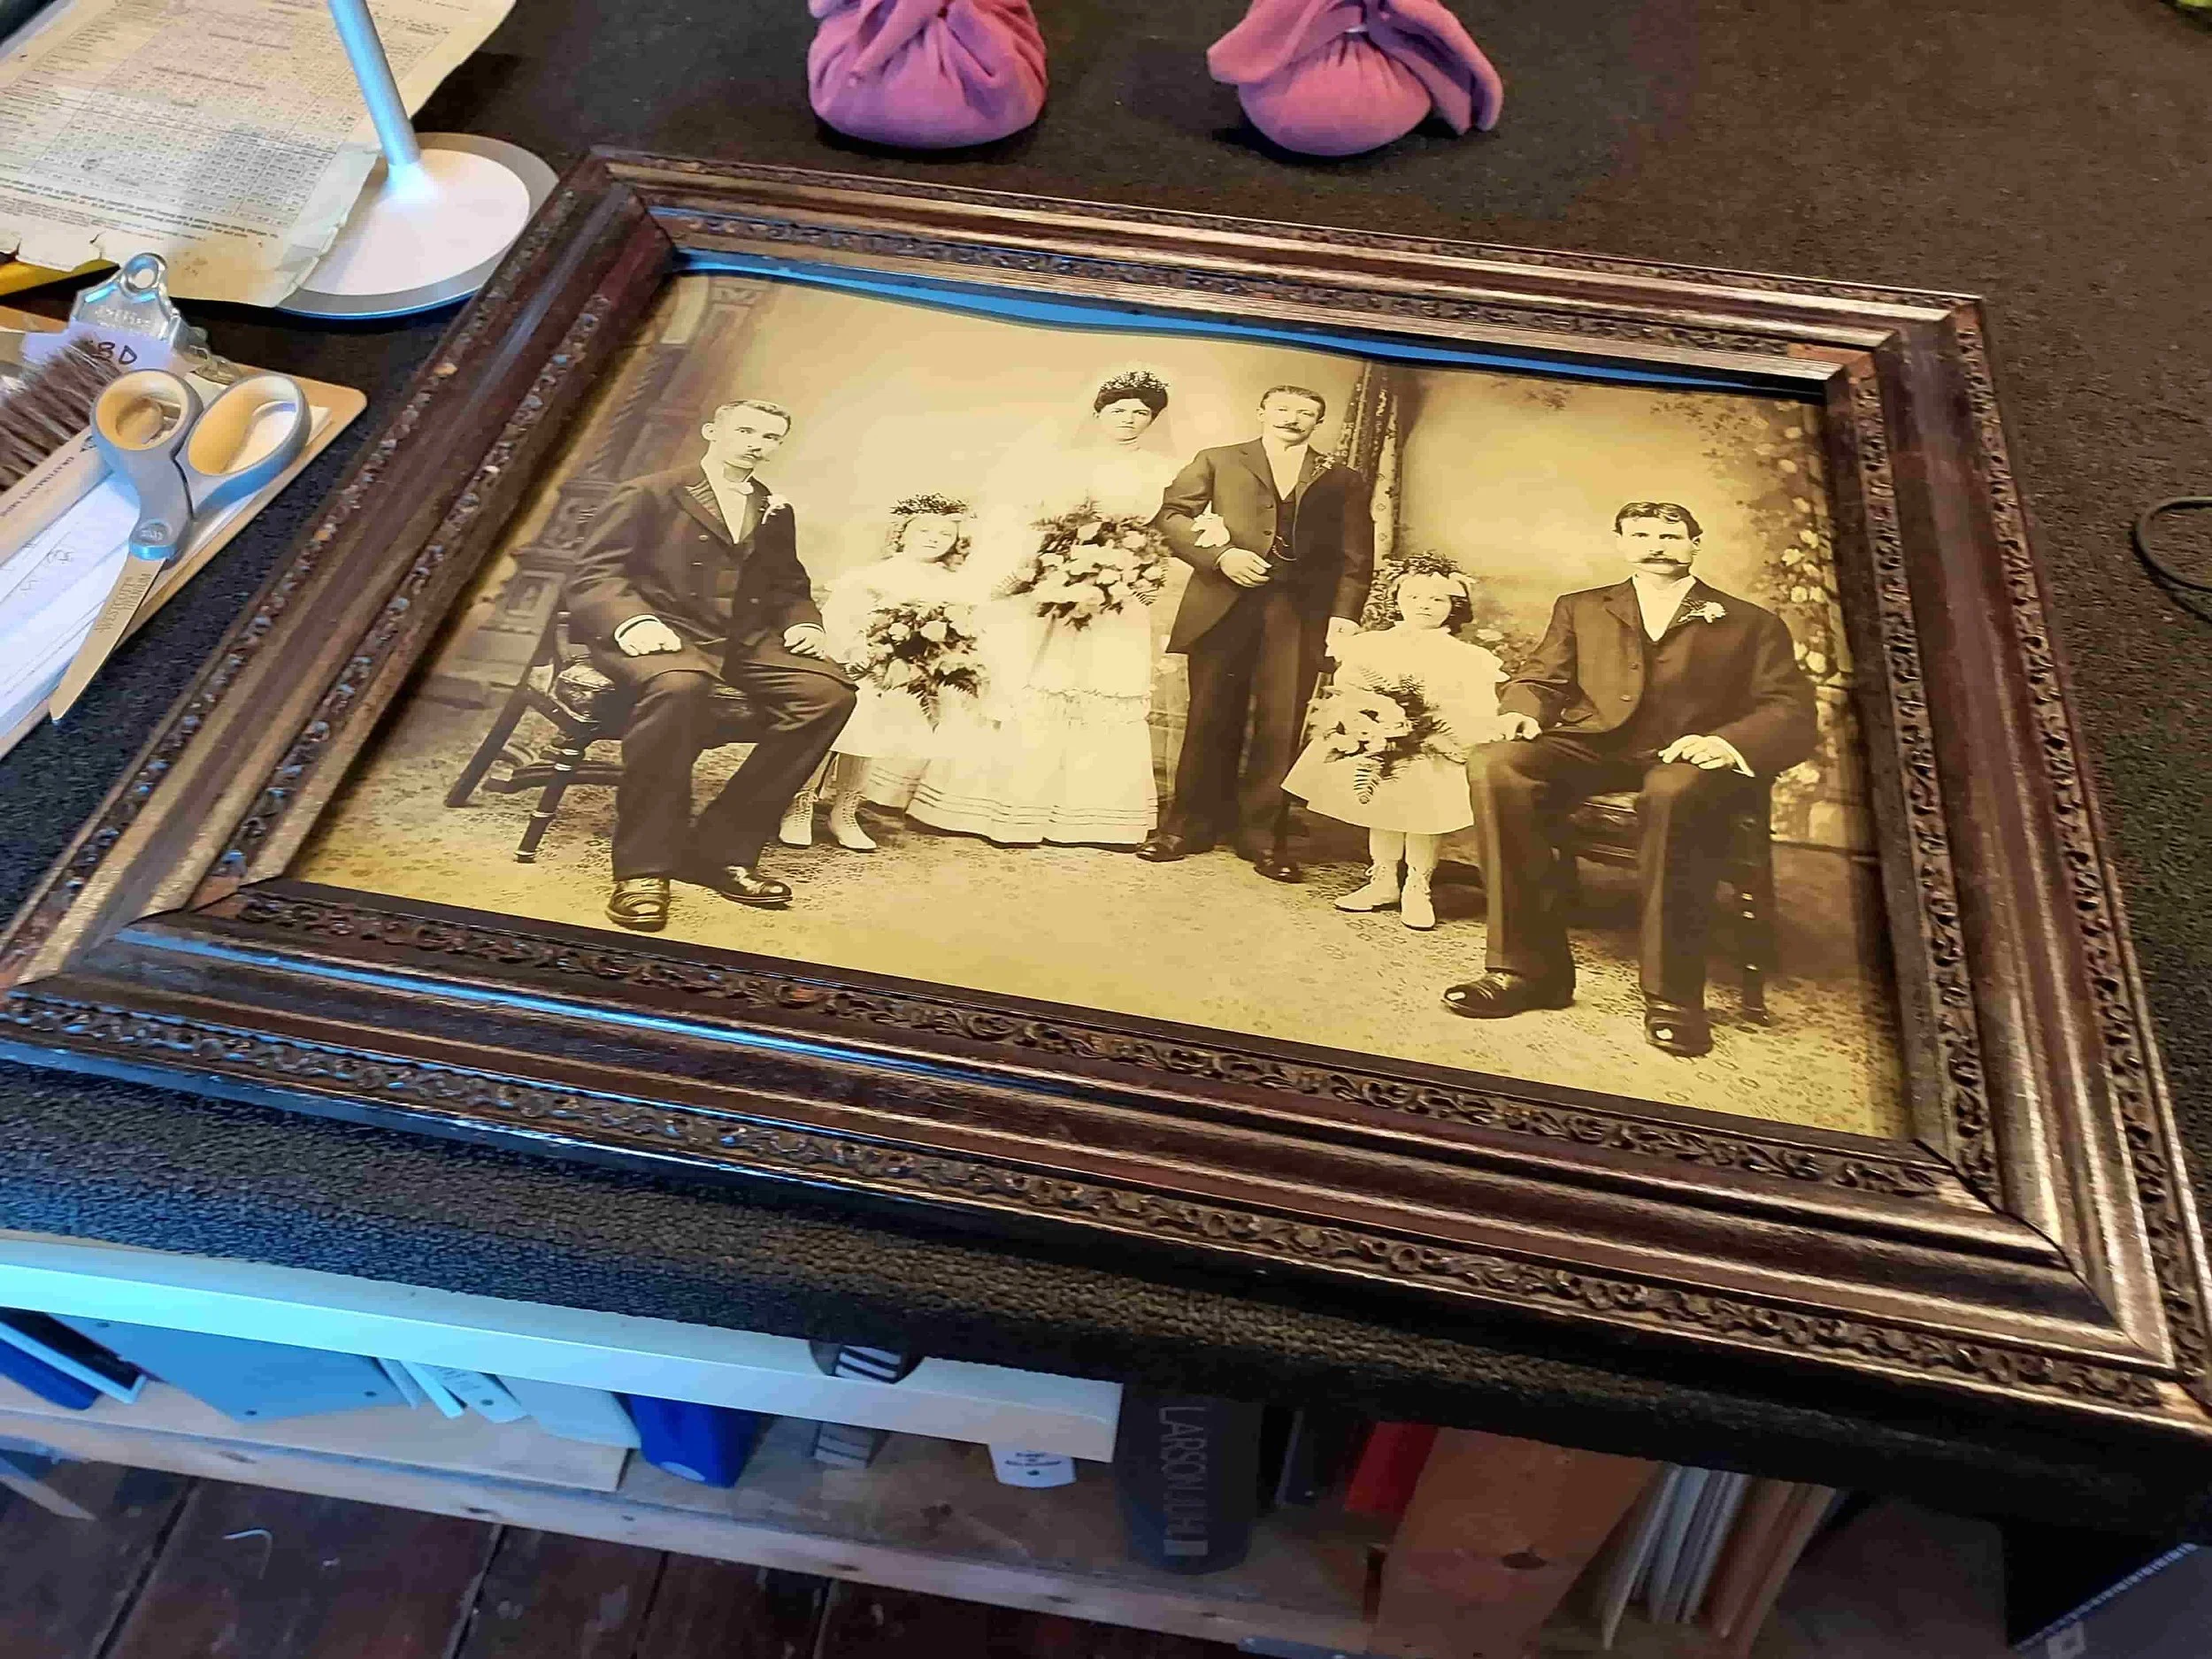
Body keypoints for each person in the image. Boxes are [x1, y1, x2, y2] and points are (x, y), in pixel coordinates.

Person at [1442, 502, 1816, 1056]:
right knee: (1497, 765)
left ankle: (1673, 999)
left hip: (1691, 754)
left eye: (1671, 534)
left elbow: (1788, 709)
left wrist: (1725, 743)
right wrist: (1522, 710)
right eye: (1641, 534)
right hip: (1595, 744)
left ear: (1695, 544)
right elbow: (1541, 678)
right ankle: (1525, 971)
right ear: (1620, 542)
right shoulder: (1581, 607)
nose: (1656, 543)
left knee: (1672, 791)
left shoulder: (1748, 622)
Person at [563, 397, 856, 934]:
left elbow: (789, 585)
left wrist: (804, 623)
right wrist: (632, 622)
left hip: (738, 640)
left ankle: (721, 849)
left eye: (769, 438)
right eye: (745, 431)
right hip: (656, 630)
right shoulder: (650, 492)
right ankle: (644, 870)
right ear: (712, 430)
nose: (755, 444)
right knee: (681, 687)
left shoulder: (773, 506)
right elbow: (593, 578)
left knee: (830, 694)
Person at [902, 368, 1181, 846]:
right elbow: (1025, 523)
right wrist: (1042, 568)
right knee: (1033, 681)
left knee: (1101, 685)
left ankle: (1093, 816)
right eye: (1119, 410)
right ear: (1098, 413)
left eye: (1142, 413)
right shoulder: (1060, 463)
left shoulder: (1165, 471)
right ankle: (995, 809)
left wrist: (1143, 570)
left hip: (1119, 595)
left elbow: (1169, 529)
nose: (1130, 419)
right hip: (1049, 590)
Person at [1141, 384, 1374, 883]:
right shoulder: (1218, 459)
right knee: (1208, 716)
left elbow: (1357, 555)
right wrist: (1220, 556)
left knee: (1279, 724)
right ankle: (1187, 827)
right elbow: (1171, 515)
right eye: (1284, 409)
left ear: (1318, 423)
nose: (1293, 419)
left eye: (1306, 414)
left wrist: (1345, 616)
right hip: (1222, 603)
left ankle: (1264, 836)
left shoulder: (1342, 478)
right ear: (1262, 412)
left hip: (1298, 610)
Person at [1283, 557, 1508, 929]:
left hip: (1433, 746)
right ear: (1396, 597)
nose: (1424, 605)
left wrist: (1436, 732)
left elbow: (1475, 707)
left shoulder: (1468, 658)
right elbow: (1350, 690)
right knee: (1383, 808)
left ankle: (1418, 887)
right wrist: (1369, 719)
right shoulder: (1371, 646)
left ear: (1455, 607)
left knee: (1421, 815)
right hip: (1381, 742)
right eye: (1414, 595)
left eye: (1437, 600)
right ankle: (1383, 879)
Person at [796, 495, 987, 852]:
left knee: (871, 742)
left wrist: (935, 658)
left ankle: (845, 810)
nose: (933, 538)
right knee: (837, 731)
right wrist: (857, 651)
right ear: (902, 533)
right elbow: (837, 622)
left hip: (904, 680)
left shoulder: (953, 584)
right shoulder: (871, 576)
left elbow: (960, 633)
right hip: (858, 671)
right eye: (924, 530)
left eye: (945, 534)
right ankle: (799, 804)